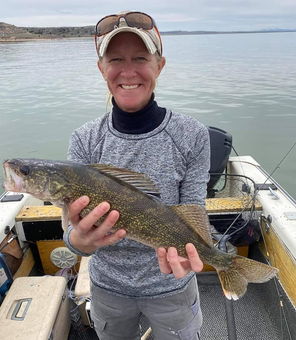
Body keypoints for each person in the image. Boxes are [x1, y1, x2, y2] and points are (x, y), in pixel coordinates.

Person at [64, 10, 210, 340]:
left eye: (140, 57)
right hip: (108, 290)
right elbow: (71, 233)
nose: (128, 71)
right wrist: (77, 241)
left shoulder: (192, 135)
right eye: (116, 59)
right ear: (102, 69)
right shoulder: (84, 140)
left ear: (160, 64)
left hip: (173, 284)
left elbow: (194, 210)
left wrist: (196, 253)